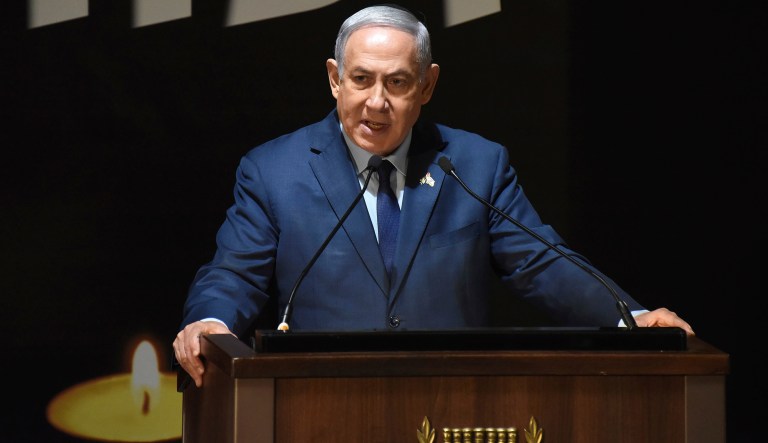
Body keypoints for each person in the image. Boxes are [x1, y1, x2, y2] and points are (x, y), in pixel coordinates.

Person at [173, 4, 694, 388]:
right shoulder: (273, 170)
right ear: (334, 80)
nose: (376, 103)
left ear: (426, 85)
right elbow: (234, 272)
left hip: (452, 401)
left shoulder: (474, 166)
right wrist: (210, 321)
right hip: (321, 401)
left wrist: (632, 316)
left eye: (397, 83)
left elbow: (541, 261)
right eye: (361, 80)